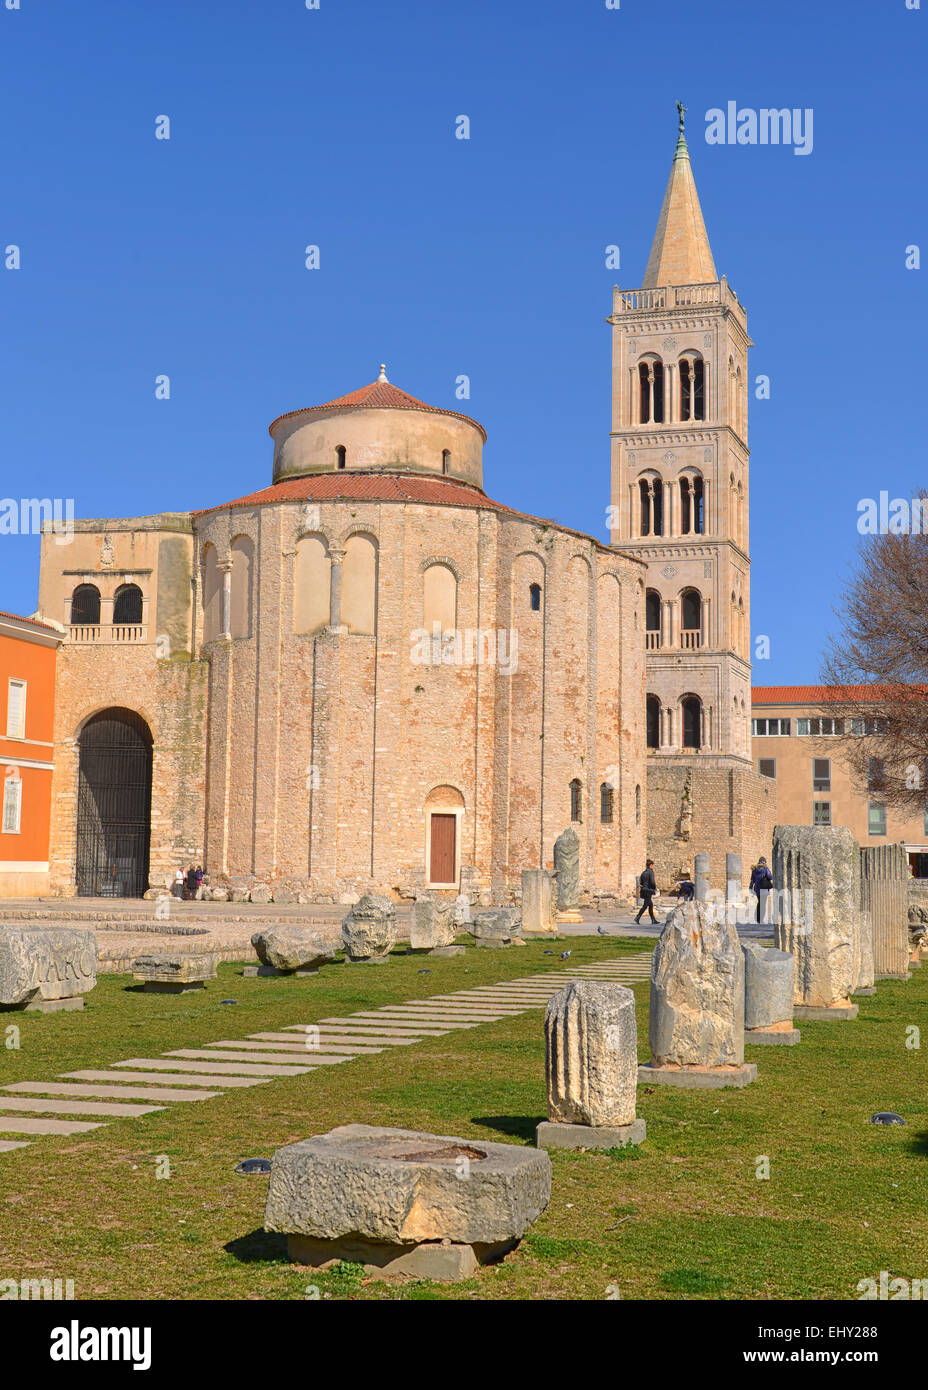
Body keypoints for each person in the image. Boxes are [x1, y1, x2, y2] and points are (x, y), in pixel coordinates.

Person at [635, 859, 660, 925]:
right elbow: (652, 882)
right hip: (648, 890)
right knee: (645, 905)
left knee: (650, 905)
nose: (653, 866)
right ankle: (637, 917)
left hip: (644, 890)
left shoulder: (643, 873)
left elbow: (641, 882)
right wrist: (654, 888)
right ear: (651, 865)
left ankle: (653, 919)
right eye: (653, 865)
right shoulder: (651, 872)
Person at [750, 856, 772, 922]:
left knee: (760, 903)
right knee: (763, 904)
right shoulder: (765, 868)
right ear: (764, 862)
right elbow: (770, 876)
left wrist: (750, 888)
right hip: (764, 888)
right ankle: (760, 919)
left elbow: (752, 880)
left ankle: (757, 918)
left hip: (757, 889)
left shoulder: (754, 869)